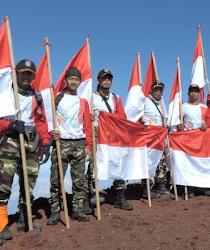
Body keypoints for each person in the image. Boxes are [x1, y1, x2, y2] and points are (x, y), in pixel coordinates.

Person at [0, 59, 51, 240]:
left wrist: (45, 142)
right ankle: (1, 224)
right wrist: (11, 124)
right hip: (9, 143)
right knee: (4, 183)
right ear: (16, 74)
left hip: (31, 143)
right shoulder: (5, 95)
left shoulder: (36, 96)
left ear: (33, 76)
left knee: (28, 184)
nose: (26, 76)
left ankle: (25, 221)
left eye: (29, 73)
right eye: (22, 72)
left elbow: (41, 121)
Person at [47, 68, 92, 225]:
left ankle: (77, 210)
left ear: (80, 82)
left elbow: (87, 125)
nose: (74, 82)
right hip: (62, 143)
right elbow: (48, 118)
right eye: (71, 79)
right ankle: (54, 211)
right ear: (65, 80)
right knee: (56, 179)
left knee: (79, 181)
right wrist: (52, 133)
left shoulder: (83, 102)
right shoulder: (57, 98)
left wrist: (89, 145)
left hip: (79, 143)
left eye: (77, 79)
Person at [91, 68, 133, 211]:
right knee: (94, 164)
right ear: (98, 81)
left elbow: (123, 117)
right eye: (104, 78)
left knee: (118, 164)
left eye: (109, 78)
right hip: (97, 134)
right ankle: (90, 195)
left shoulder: (116, 98)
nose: (107, 81)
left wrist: (110, 118)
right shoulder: (91, 97)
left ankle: (120, 198)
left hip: (114, 135)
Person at [179, 84, 210, 196]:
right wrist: (179, 126)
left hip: (202, 140)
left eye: (196, 91)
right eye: (192, 91)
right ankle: (190, 188)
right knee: (189, 163)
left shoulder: (204, 107)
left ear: (199, 94)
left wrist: (206, 125)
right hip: (187, 141)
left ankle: (203, 187)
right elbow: (177, 122)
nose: (194, 93)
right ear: (188, 93)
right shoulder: (182, 107)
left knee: (202, 163)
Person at [141, 80, 170, 199]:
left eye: (160, 90)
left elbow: (165, 121)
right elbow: (137, 116)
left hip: (160, 138)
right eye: (156, 89)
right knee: (148, 162)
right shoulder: (144, 102)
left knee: (161, 161)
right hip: (148, 139)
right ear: (151, 90)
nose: (158, 92)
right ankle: (146, 187)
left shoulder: (162, 105)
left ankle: (161, 185)